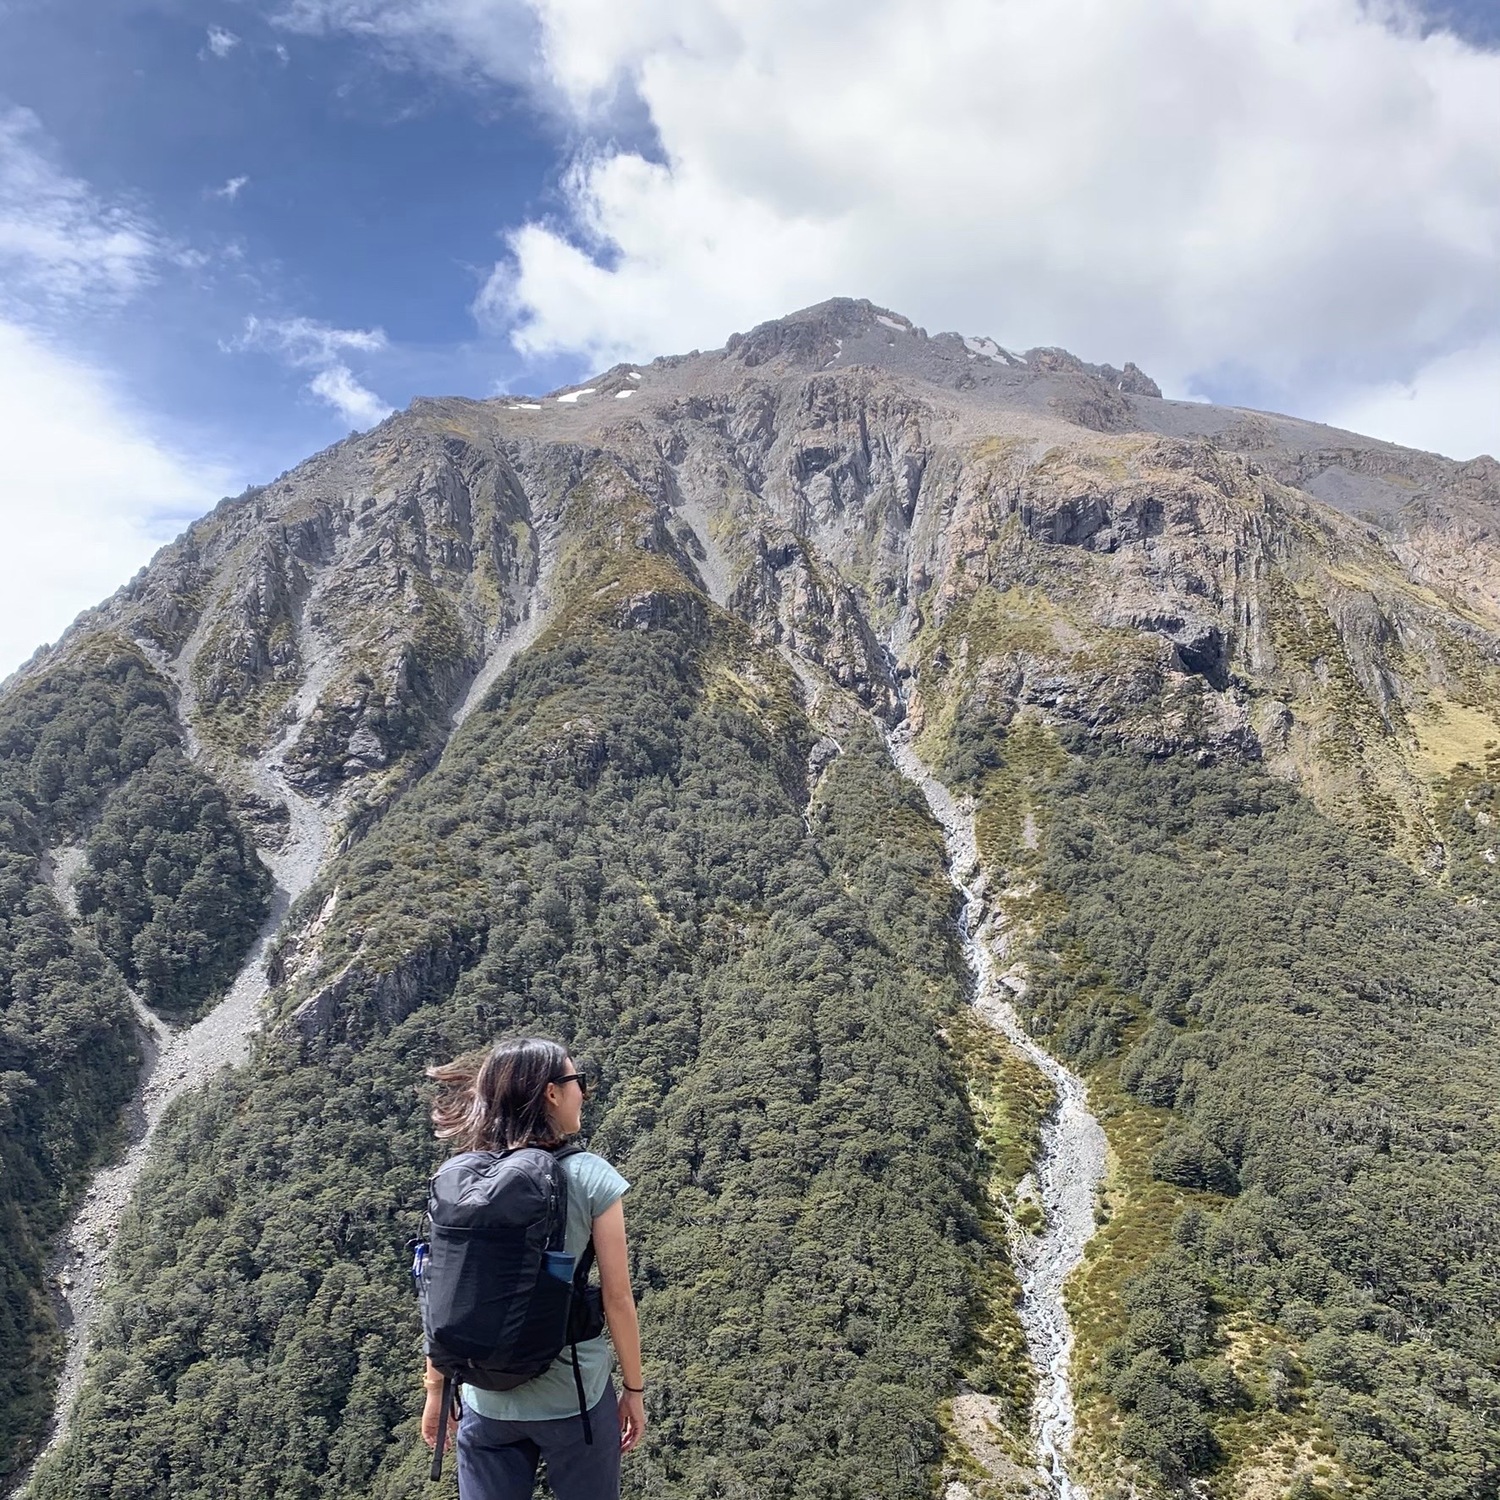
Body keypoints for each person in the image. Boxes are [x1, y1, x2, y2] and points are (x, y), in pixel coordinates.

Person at [419, 1036, 647, 1498]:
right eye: (577, 1081)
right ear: (551, 1092)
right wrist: (634, 1392)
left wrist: (436, 1390)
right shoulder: (589, 1175)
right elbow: (617, 1298)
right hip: (572, 1398)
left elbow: (445, 1289)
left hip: (484, 1399)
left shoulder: (462, 1177)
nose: (582, 1091)